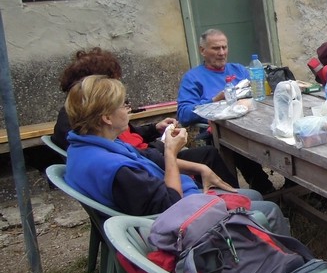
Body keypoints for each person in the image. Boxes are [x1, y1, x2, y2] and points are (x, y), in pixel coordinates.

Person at [64, 75, 289, 235]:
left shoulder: (86, 147)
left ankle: (257, 249)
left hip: (169, 209)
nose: (128, 110)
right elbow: (170, 206)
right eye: (123, 105)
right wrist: (171, 152)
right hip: (173, 225)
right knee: (268, 210)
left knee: (253, 195)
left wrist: (199, 167)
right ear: (107, 118)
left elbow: (149, 165)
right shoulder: (113, 167)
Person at [52, 47, 239, 188]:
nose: (117, 84)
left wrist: (153, 128)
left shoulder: (90, 119)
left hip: (148, 159)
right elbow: (165, 196)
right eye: (113, 80)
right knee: (210, 154)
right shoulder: (110, 158)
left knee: (210, 153)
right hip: (152, 166)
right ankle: (235, 198)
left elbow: (126, 137)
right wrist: (169, 151)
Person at [177, 29, 276, 194]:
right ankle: (260, 189)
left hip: (253, 123)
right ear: (203, 51)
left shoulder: (239, 70)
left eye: (224, 47)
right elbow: (183, 114)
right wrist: (214, 100)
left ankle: (293, 187)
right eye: (216, 48)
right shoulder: (193, 78)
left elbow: (259, 95)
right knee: (240, 146)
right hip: (220, 131)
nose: (222, 53)